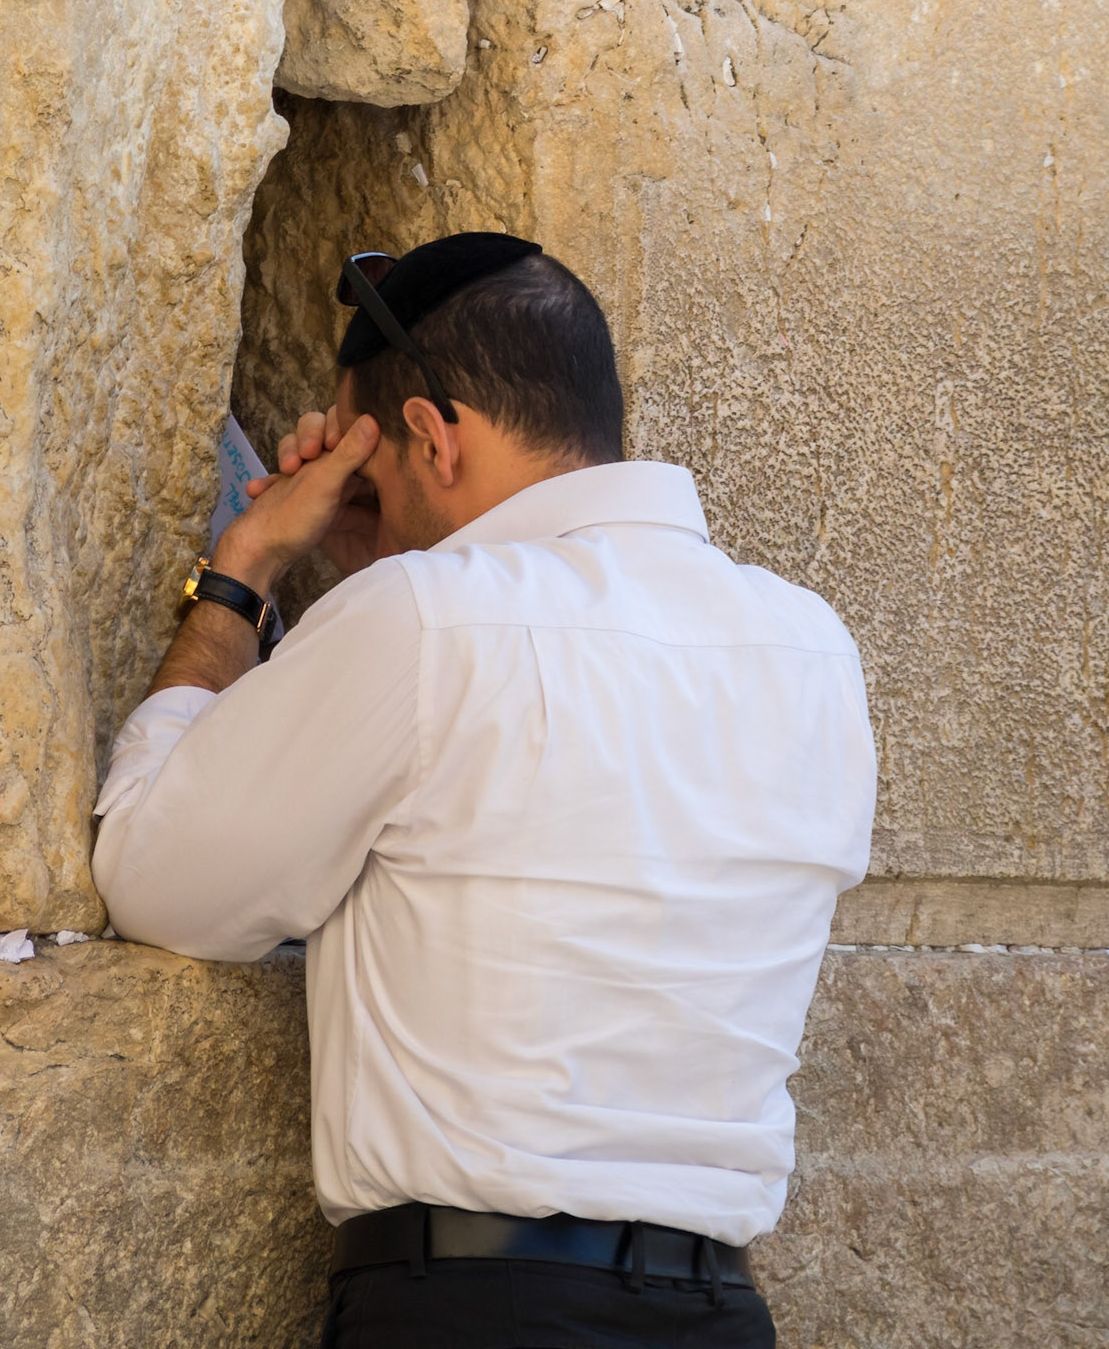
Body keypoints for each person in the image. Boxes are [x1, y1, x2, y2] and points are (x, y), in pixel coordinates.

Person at [92, 234, 876, 1349]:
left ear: (429, 435)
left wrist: (249, 570)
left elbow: (155, 876)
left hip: (481, 1311)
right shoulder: (813, 650)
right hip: (722, 1315)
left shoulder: (423, 617)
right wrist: (391, 558)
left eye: (367, 466)